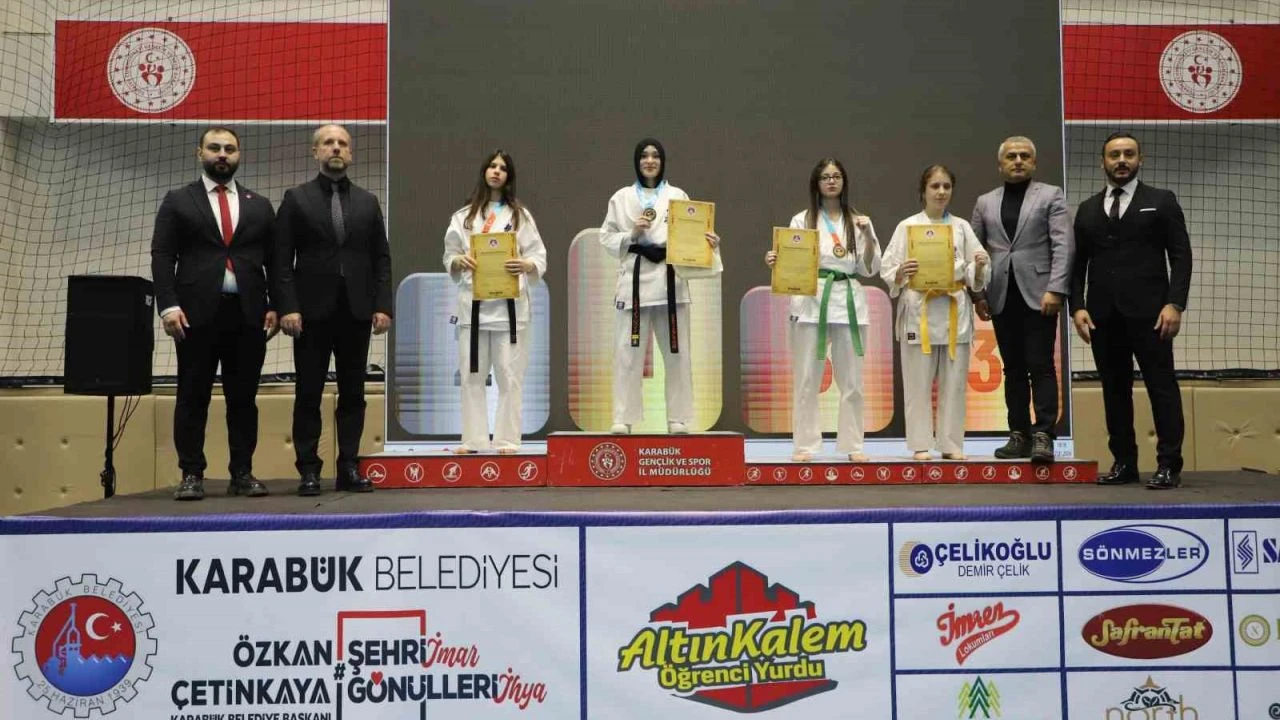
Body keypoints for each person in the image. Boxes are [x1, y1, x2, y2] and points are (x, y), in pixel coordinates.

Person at [151, 126, 277, 501]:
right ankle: (191, 473)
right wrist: (168, 305)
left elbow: (274, 261)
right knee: (193, 397)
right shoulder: (178, 200)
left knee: (244, 399)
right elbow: (162, 255)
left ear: (239, 156)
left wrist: (276, 304)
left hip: (248, 315)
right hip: (194, 316)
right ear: (200, 153)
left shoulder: (259, 205)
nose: (222, 154)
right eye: (215, 148)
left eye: (230, 149)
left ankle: (242, 473)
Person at [1070, 132, 1192, 490]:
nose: (1121, 160)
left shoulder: (1162, 201)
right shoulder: (1087, 209)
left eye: (1128, 154)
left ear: (1141, 159)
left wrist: (1175, 303)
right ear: (1103, 162)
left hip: (1153, 315)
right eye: (1114, 155)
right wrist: (1077, 307)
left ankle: (1169, 465)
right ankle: (1124, 463)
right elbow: (1076, 266)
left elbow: (1181, 256)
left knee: (1161, 387)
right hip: (1102, 317)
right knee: (1114, 390)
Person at [275, 124, 392, 496]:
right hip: (310, 314)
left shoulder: (368, 202)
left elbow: (381, 259)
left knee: (353, 392)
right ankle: (309, 470)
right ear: (316, 152)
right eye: (329, 143)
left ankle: (349, 467)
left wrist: (383, 306)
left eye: (343, 143)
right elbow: (281, 259)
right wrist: (287, 307)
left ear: (351, 153)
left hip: (356, 312)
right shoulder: (296, 199)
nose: (336, 148)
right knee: (308, 392)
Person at [599, 138, 719, 434]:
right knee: (627, 353)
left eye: (655, 156)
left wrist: (708, 244)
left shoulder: (677, 195)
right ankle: (623, 417)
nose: (650, 161)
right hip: (635, 281)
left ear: (663, 161)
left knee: (678, 353)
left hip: (670, 281)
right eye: (644, 156)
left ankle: (678, 418)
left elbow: (690, 235)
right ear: (637, 161)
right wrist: (631, 233)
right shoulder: (621, 197)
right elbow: (606, 238)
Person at [765, 158, 881, 461]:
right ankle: (805, 445)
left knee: (853, 382)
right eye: (825, 177)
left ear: (844, 181)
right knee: (806, 379)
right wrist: (776, 261)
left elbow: (869, 268)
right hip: (811, 301)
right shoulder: (802, 220)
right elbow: (791, 261)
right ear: (816, 183)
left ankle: (853, 446)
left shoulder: (858, 220)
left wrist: (869, 237)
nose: (831, 181)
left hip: (848, 301)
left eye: (836, 176)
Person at [971, 136, 1074, 464]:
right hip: (1000, 296)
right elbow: (974, 250)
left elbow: (1063, 245)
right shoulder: (985, 202)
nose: (1018, 161)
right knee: (1012, 368)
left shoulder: (1051, 195)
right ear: (1000, 164)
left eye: (1025, 156)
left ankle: (1044, 435)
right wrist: (978, 294)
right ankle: (1018, 434)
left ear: (1034, 163)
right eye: (1012, 156)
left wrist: (1056, 289)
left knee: (1040, 365)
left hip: (1040, 295)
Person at [442, 150, 547, 454]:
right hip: (473, 309)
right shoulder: (463, 217)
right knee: (471, 376)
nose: (496, 171)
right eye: (492, 166)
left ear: (509, 176)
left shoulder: (520, 216)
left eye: (503, 168)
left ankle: (507, 440)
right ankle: (473, 440)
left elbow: (538, 255)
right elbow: (449, 254)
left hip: (510, 310)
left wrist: (526, 264)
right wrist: (458, 261)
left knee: (510, 377)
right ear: (484, 171)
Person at [882, 165, 989, 460]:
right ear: (923, 190)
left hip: (954, 310)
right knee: (917, 383)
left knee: (954, 383)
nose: (941, 192)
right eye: (935, 186)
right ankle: (920, 444)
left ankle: (951, 444)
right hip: (919, 310)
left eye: (946, 186)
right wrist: (901, 272)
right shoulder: (907, 227)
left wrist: (979, 266)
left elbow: (977, 273)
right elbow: (888, 268)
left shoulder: (962, 227)